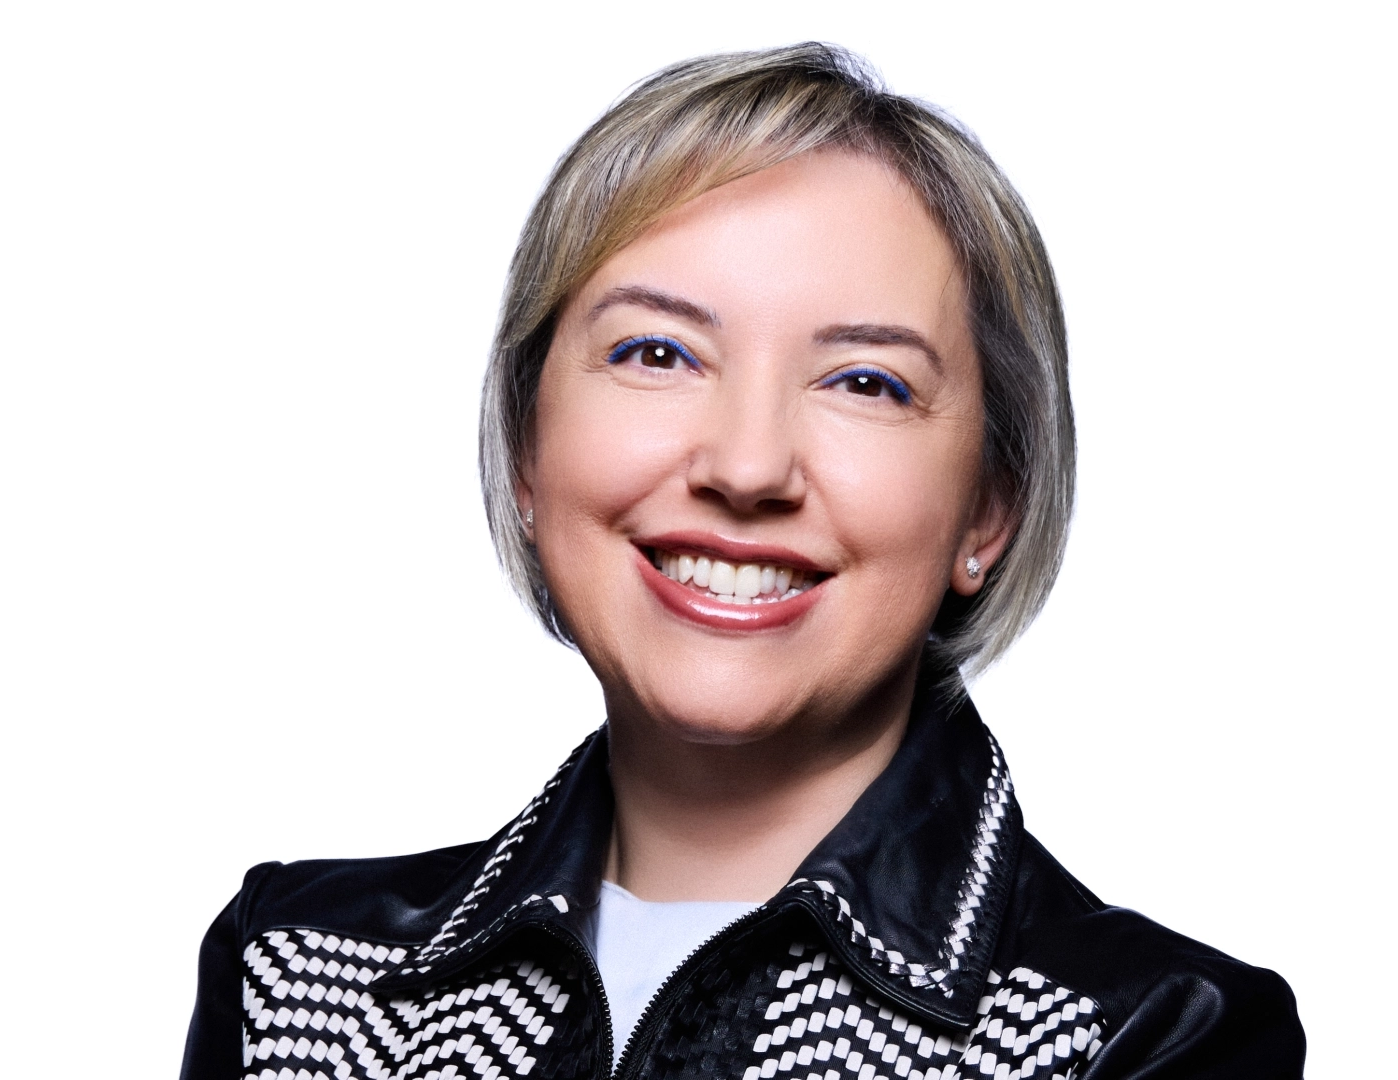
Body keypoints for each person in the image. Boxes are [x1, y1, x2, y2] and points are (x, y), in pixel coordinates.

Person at [181, 44, 1304, 1080]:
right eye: (656, 353)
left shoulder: (1146, 1034)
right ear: (526, 448)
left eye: (865, 382)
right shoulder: (297, 978)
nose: (747, 465)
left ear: (987, 511)